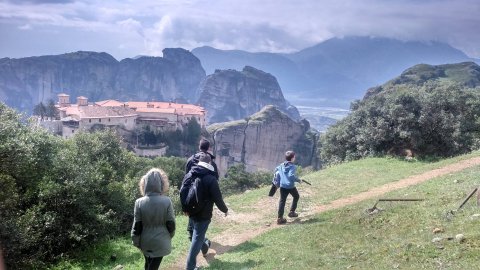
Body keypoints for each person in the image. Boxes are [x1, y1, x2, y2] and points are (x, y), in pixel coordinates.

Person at [183, 152, 228, 270]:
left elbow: (182, 192)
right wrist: (225, 210)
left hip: (191, 211)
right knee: (197, 238)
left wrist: (185, 209)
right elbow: (218, 198)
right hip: (204, 214)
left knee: (197, 234)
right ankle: (190, 267)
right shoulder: (211, 179)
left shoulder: (189, 174)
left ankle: (205, 246)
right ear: (209, 163)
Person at [131, 168, 176, 270]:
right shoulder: (167, 201)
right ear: (162, 183)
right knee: (153, 267)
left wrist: (135, 241)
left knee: (148, 264)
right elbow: (171, 224)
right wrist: (169, 237)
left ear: (144, 184)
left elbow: (137, 225)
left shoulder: (139, 202)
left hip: (145, 241)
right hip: (161, 241)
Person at [184, 138, 218, 255]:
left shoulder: (190, 160)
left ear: (199, 146)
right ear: (208, 148)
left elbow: (186, 178)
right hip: (205, 201)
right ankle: (204, 244)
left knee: (192, 227)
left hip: (191, 197)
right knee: (198, 227)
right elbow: (215, 180)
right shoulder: (211, 162)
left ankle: (202, 244)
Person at [276, 150, 302, 225]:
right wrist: (298, 180)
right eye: (294, 156)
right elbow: (291, 176)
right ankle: (292, 212)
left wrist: (278, 182)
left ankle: (280, 218)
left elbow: (277, 172)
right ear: (292, 158)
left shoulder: (281, 165)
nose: (295, 157)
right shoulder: (292, 166)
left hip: (282, 186)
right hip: (290, 186)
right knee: (296, 196)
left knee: (282, 201)